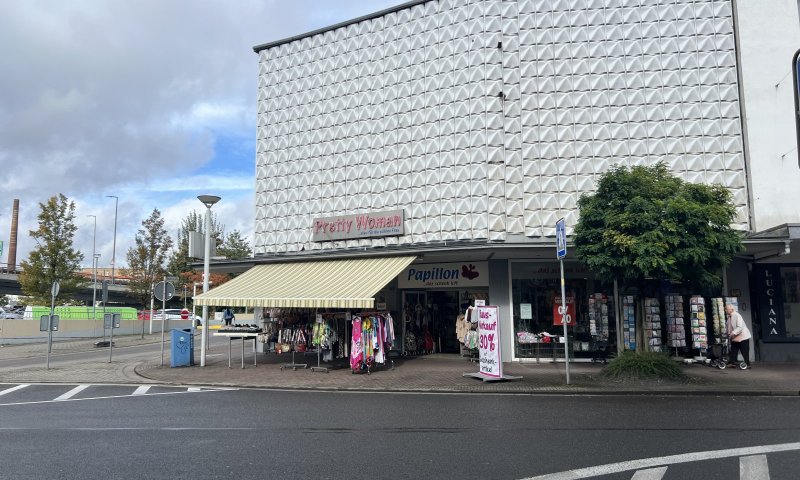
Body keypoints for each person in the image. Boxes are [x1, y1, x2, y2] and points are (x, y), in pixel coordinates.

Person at [725, 303, 751, 369]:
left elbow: (740, 327)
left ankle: (747, 364)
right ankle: (732, 363)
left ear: (731, 309)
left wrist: (732, 333)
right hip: (735, 337)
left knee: (744, 351)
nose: (726, 310)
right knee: (733, 350)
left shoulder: (737, 316)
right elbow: (729, 327)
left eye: (727, 309)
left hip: (742, 336)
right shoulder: (729, 317)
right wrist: (727, 334)